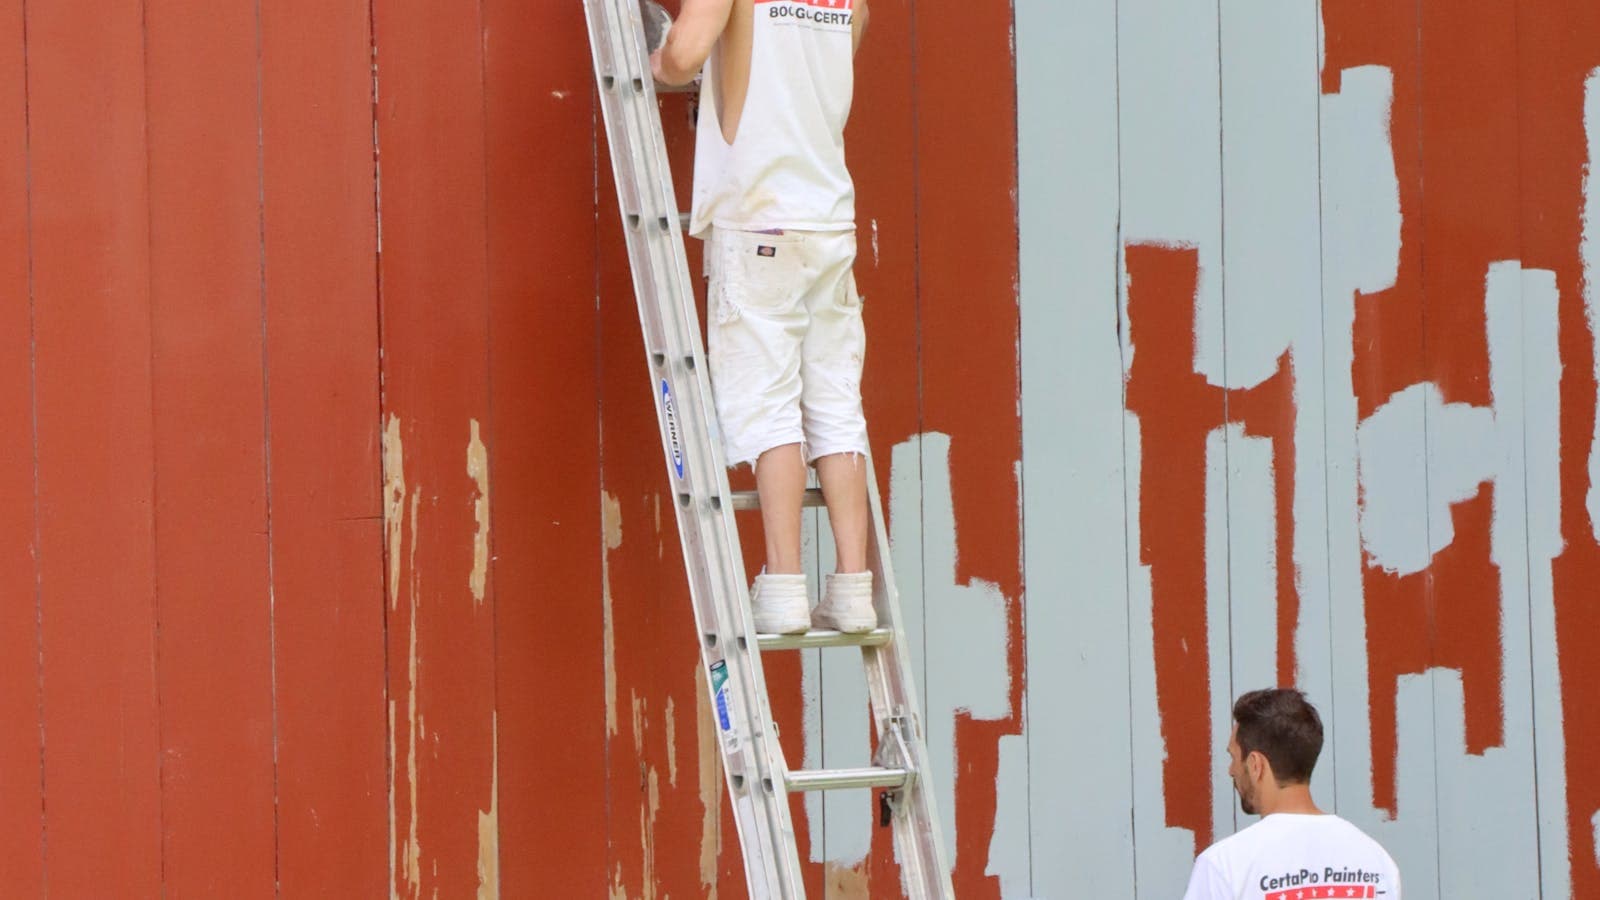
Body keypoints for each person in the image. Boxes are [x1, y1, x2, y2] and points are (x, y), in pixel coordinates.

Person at [649, 0, 875, 635]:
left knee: (771, 404)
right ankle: (853, 587)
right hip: (829, 213)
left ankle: (783, 584)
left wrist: (657, 59)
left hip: (759, 214)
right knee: (835, 403)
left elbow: (685, 54)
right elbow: (842, 44)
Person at [1183, 689, 1402, 900]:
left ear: (1255, 764)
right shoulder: (1376, 861)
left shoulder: (1224, 865)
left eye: (1233, 757)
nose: (1231, 770)